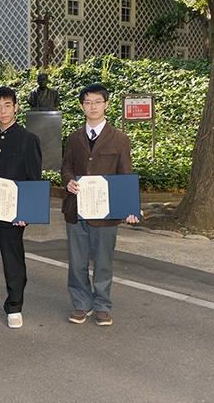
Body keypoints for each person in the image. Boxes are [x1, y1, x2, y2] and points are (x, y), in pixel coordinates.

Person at [61, 83, 140, 326]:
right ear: (82, 106)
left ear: (106, 104)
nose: (92, 107)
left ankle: (102, 306)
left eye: (97, 102)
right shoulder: (73, 138)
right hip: (76, 210)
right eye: (87, 102)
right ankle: (81, 304)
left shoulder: (120, 139)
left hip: (106, 213)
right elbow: (66, 168)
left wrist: (130, 207)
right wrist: (68, 182)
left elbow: (125, 174)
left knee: (103, 262)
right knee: (77, 263)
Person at [0, 86, 42, 329]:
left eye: (7, 105)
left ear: (15, 107)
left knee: (13, 261)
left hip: (13, 212)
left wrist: (26, 213)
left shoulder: (29, 139)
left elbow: (33, 179)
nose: (2, 111)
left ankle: (14, 306)